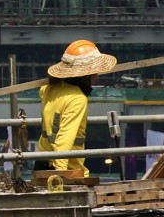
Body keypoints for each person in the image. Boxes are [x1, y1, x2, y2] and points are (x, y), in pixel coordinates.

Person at [37, 40, 118, 176]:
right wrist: (61, 174)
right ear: (88, 73)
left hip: (42, 162)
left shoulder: (49, 89)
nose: (97, 75)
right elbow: (64, 139)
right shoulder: (77, 98)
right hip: (66, 167)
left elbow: (43, 90)